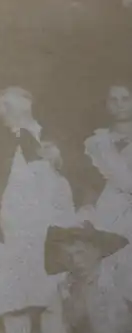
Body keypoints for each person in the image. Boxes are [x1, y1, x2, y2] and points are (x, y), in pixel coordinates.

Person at [0, 87, 78, 333]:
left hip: (47, 224)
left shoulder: (53, 136)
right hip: (11, 226)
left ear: (27, 105)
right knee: (13, 299)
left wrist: (60, 159)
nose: (3, 113)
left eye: (8, 106)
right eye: (1, 107)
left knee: (52, 294)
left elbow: (77, 177)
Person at [84, 85, 132, 301]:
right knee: (110, 285)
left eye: (125, 99)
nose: (120, 105)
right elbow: (90, 184)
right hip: (109, 213)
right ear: (106, 105)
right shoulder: (96, 143)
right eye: (114, 100)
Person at [44, 221, 132, 333]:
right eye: (68, 257)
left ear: (97, 251)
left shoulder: (118, 279)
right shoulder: (64, 291)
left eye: (80, 253)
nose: (76, 261)